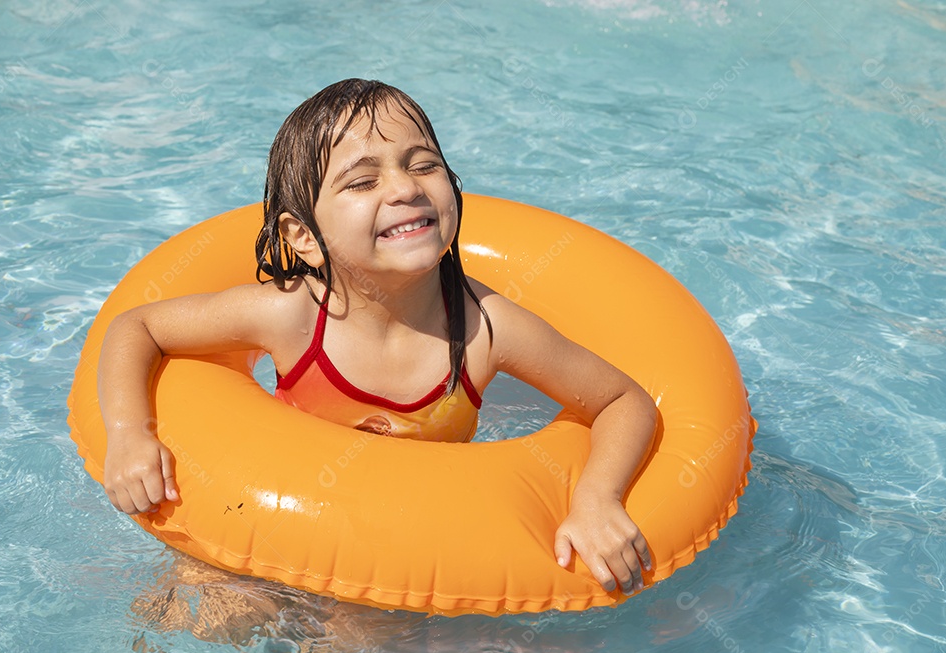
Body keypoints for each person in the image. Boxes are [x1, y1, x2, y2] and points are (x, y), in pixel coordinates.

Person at [98, 78, 657, 595]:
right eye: (363, 181)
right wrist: (129, 433)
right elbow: (139, 326)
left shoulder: (487, 329)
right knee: (197, 611)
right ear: (305, 238)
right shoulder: (291, 316)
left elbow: (622, 400)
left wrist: (596, 498)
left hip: (408, 551)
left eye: (424, 165)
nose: (403, 188)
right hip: (280, 524)